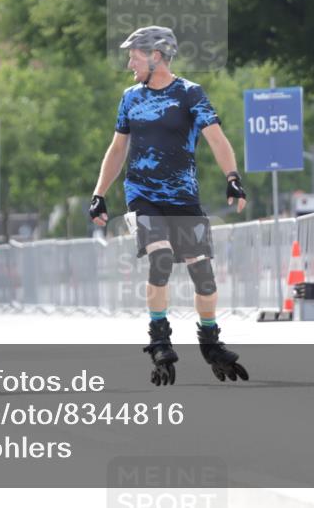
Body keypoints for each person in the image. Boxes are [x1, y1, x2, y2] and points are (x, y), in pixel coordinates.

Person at [90, 26, 250, 386]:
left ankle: (210, 341)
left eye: (134, 54)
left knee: (203, 275)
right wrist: (99, 193)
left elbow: (216, 138)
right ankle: (159, 338)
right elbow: (118, 150)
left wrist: (233, 177)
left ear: (156, 55)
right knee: (160, 258)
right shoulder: (130, 97)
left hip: (184, 198)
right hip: (143, 195)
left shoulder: (189, 94)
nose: (129, 61)